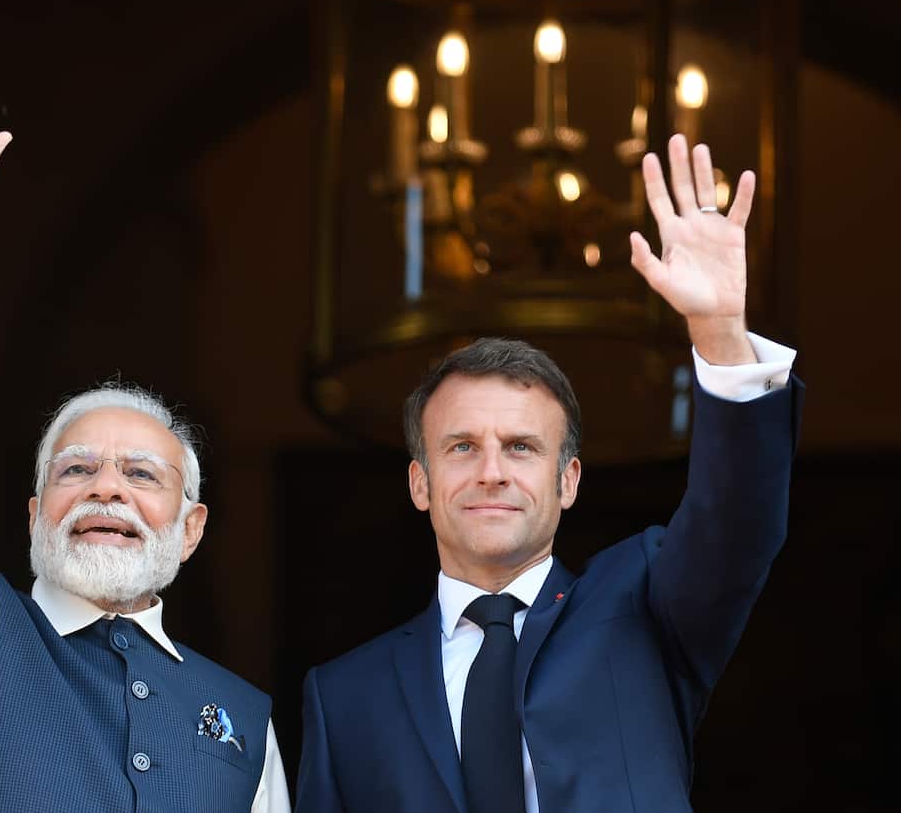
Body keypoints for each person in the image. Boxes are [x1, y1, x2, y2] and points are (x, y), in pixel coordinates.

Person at [0, 35, 290, 813]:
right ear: (35, 512)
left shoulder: (246, 723)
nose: (105, 488)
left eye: (142, 475)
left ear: (191, 529)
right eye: (75, 470)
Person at [294, 134, 802, 813]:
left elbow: (737, 523)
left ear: (569, 482)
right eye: (462, 447)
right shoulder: (342, 694)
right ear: (419, 483)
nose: (493, 472)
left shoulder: (647, 607)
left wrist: (719, 332)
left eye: (523, 447)